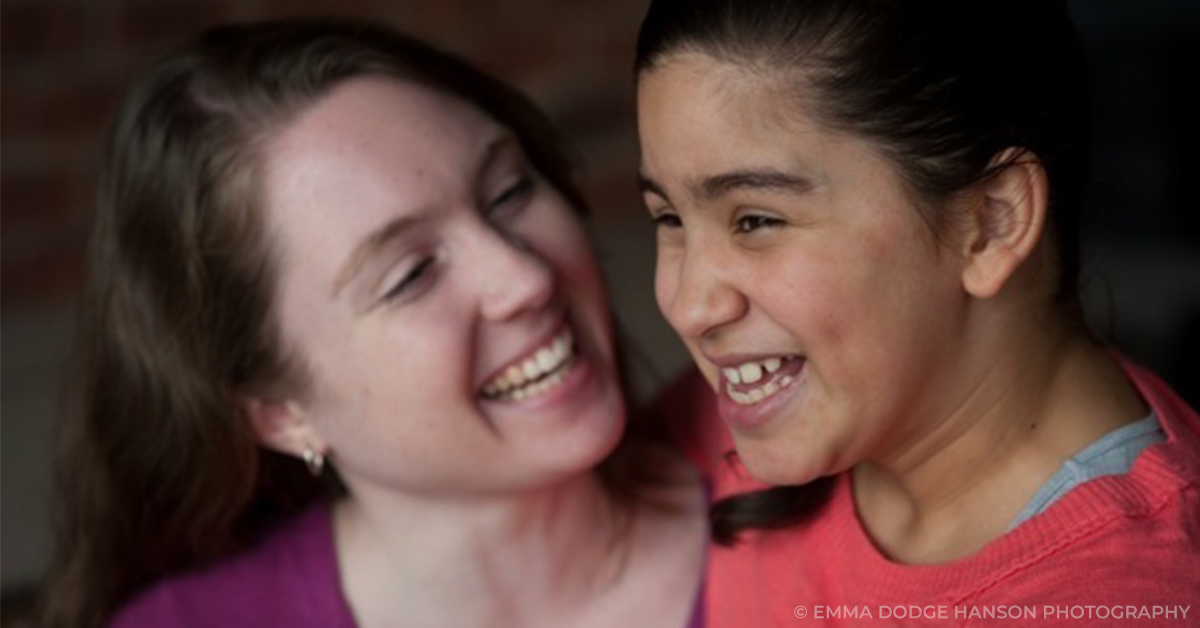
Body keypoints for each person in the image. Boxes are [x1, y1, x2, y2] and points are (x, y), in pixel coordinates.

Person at [39, 18, 706, 628]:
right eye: (411, 274)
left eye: (508, 191)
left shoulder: (792, 477)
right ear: (278, 410)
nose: (525, 278)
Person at [634, 0, 1200, 625]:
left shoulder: (1127, 598)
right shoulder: (760, 402)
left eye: (758, 220)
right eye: (669, 218)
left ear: (990, 223)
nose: (689, 306)